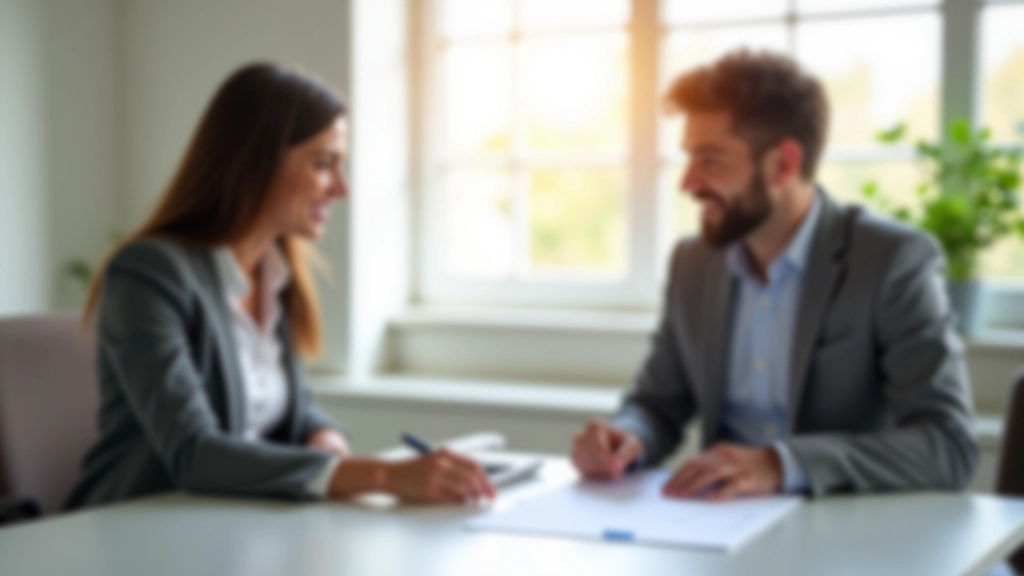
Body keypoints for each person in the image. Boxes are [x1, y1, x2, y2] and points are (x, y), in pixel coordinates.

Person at [66, 63, 494, 509]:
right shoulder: (149, 274)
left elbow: (286, 407)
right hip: (134, 531)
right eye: (324, 164)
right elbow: (193, 452)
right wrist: (382, 476)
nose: (342, 189)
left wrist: (323, 436)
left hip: (229, 525)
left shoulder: (276, 273)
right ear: (257, 162)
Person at [570, 50, 979, 499]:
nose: (688, 182)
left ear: (783, 164)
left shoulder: (891, 260)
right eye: (689, 158)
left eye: (712, 161)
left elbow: (949, 445)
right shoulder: (693, 263)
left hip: (844, 538)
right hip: (722, 532)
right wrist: (630, 437)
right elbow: (658, 403)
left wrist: (783, 465)